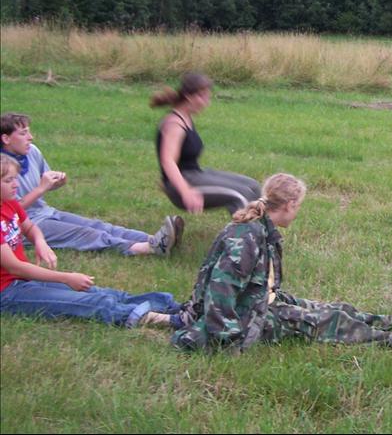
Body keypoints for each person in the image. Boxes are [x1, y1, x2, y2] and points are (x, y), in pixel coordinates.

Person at [173, 173, 392, 352]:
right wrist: (230, 339)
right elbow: (220, 292)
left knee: (338, 309)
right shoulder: (246, 237)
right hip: (247, 316)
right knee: (331, 322)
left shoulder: (261, 228)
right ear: (289, 205)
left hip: (260, 301)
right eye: (298, 206)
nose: (298, 212)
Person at [0, 155, 183, 328]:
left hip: (23, 279)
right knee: (92, 302)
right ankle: (171, 321)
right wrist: (66, 277)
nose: (16, 184)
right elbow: (15, 267)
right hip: (7, 293)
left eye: (15, 178)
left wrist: (40, 241)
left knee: (99, 292)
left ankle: (172, 306)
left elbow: (29, 227)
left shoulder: (10, 203)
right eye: (9, 180)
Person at [0, 112, 181, 257]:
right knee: (85, 234)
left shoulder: (32, 152)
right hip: (21, 225)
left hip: (46, 212)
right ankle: (146, 248)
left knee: (98, 225)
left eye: (29, 132)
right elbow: (11, 209)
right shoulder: (3, 168)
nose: (30, 137)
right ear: (6, 139)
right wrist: (41, 188)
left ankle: (154, 239)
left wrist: (57, 181)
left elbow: (46, 182)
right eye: (23, 133)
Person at [151, 72, 261, 215]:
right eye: (203, 97)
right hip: (182, 184)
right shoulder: (174, 124)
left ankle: (262, 227)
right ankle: (243, 230)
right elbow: (168, 161)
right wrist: (185, 191)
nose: (207, 102)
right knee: (240, 195)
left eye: (208, 97)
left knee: (253, 186)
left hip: (196, 174)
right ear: (189, 96)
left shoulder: (186, 117)